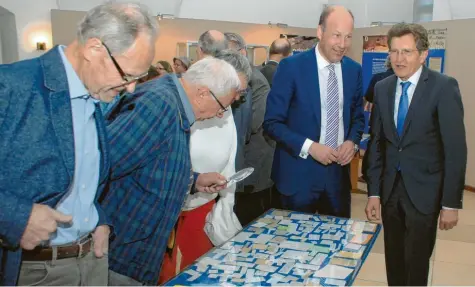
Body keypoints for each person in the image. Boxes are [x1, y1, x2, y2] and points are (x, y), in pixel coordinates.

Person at [0, 2, 157, 285]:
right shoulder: (11, 86)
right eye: (128, 75)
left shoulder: (95, 92)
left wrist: (98, 217)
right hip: (35, 271)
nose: (131, 88)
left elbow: (83, 177)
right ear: (93, 49)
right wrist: (15, 216)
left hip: (91, 260)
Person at [100, 57, 245, 286]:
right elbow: (103, 166)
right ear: (203, 93)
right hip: (123, 250)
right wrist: (98, 221)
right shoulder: (157, 106)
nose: (220, 115)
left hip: (139, 251)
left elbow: (155, 167)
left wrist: (194, 181)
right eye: (221, 107)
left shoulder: (177, 105)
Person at [363, 23, 466, 286]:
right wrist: (373, 192)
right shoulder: (382, 88)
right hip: (389, 194)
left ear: (423, 55)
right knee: (394, 262)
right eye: (394, 52)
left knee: (417, 266)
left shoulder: (443, 87)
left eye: (406, 52)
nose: (399, 59)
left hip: (425, 194)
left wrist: (451, 203)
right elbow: (377, 143)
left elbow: (455, 149)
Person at [158, 49, 252, 284]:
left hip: (203, 209)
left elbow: (230, 155)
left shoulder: (225, 107)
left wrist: (225, 201)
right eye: (234, 91)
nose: (237, 98)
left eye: (240, 92)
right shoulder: (186, 106)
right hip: (172, 213)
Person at [263, 6, 364, 217]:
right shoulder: (291, 67)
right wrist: (310, 147)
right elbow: (272, 123)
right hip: (297, 178)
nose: (342, 44)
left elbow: (357, 118)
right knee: (293, 246)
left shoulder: (353, 71)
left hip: (337, 181)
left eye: (348, 37)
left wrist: (352, 142)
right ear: (320, 32)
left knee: (336, 245)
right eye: (336, 36)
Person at [225, 32, 280, 226]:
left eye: (229, 54)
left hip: (252, 172)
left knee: (250, 228)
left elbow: (250, 127)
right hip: (238, 171)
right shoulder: (231, 80)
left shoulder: (255, 83)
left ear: (241, 52)